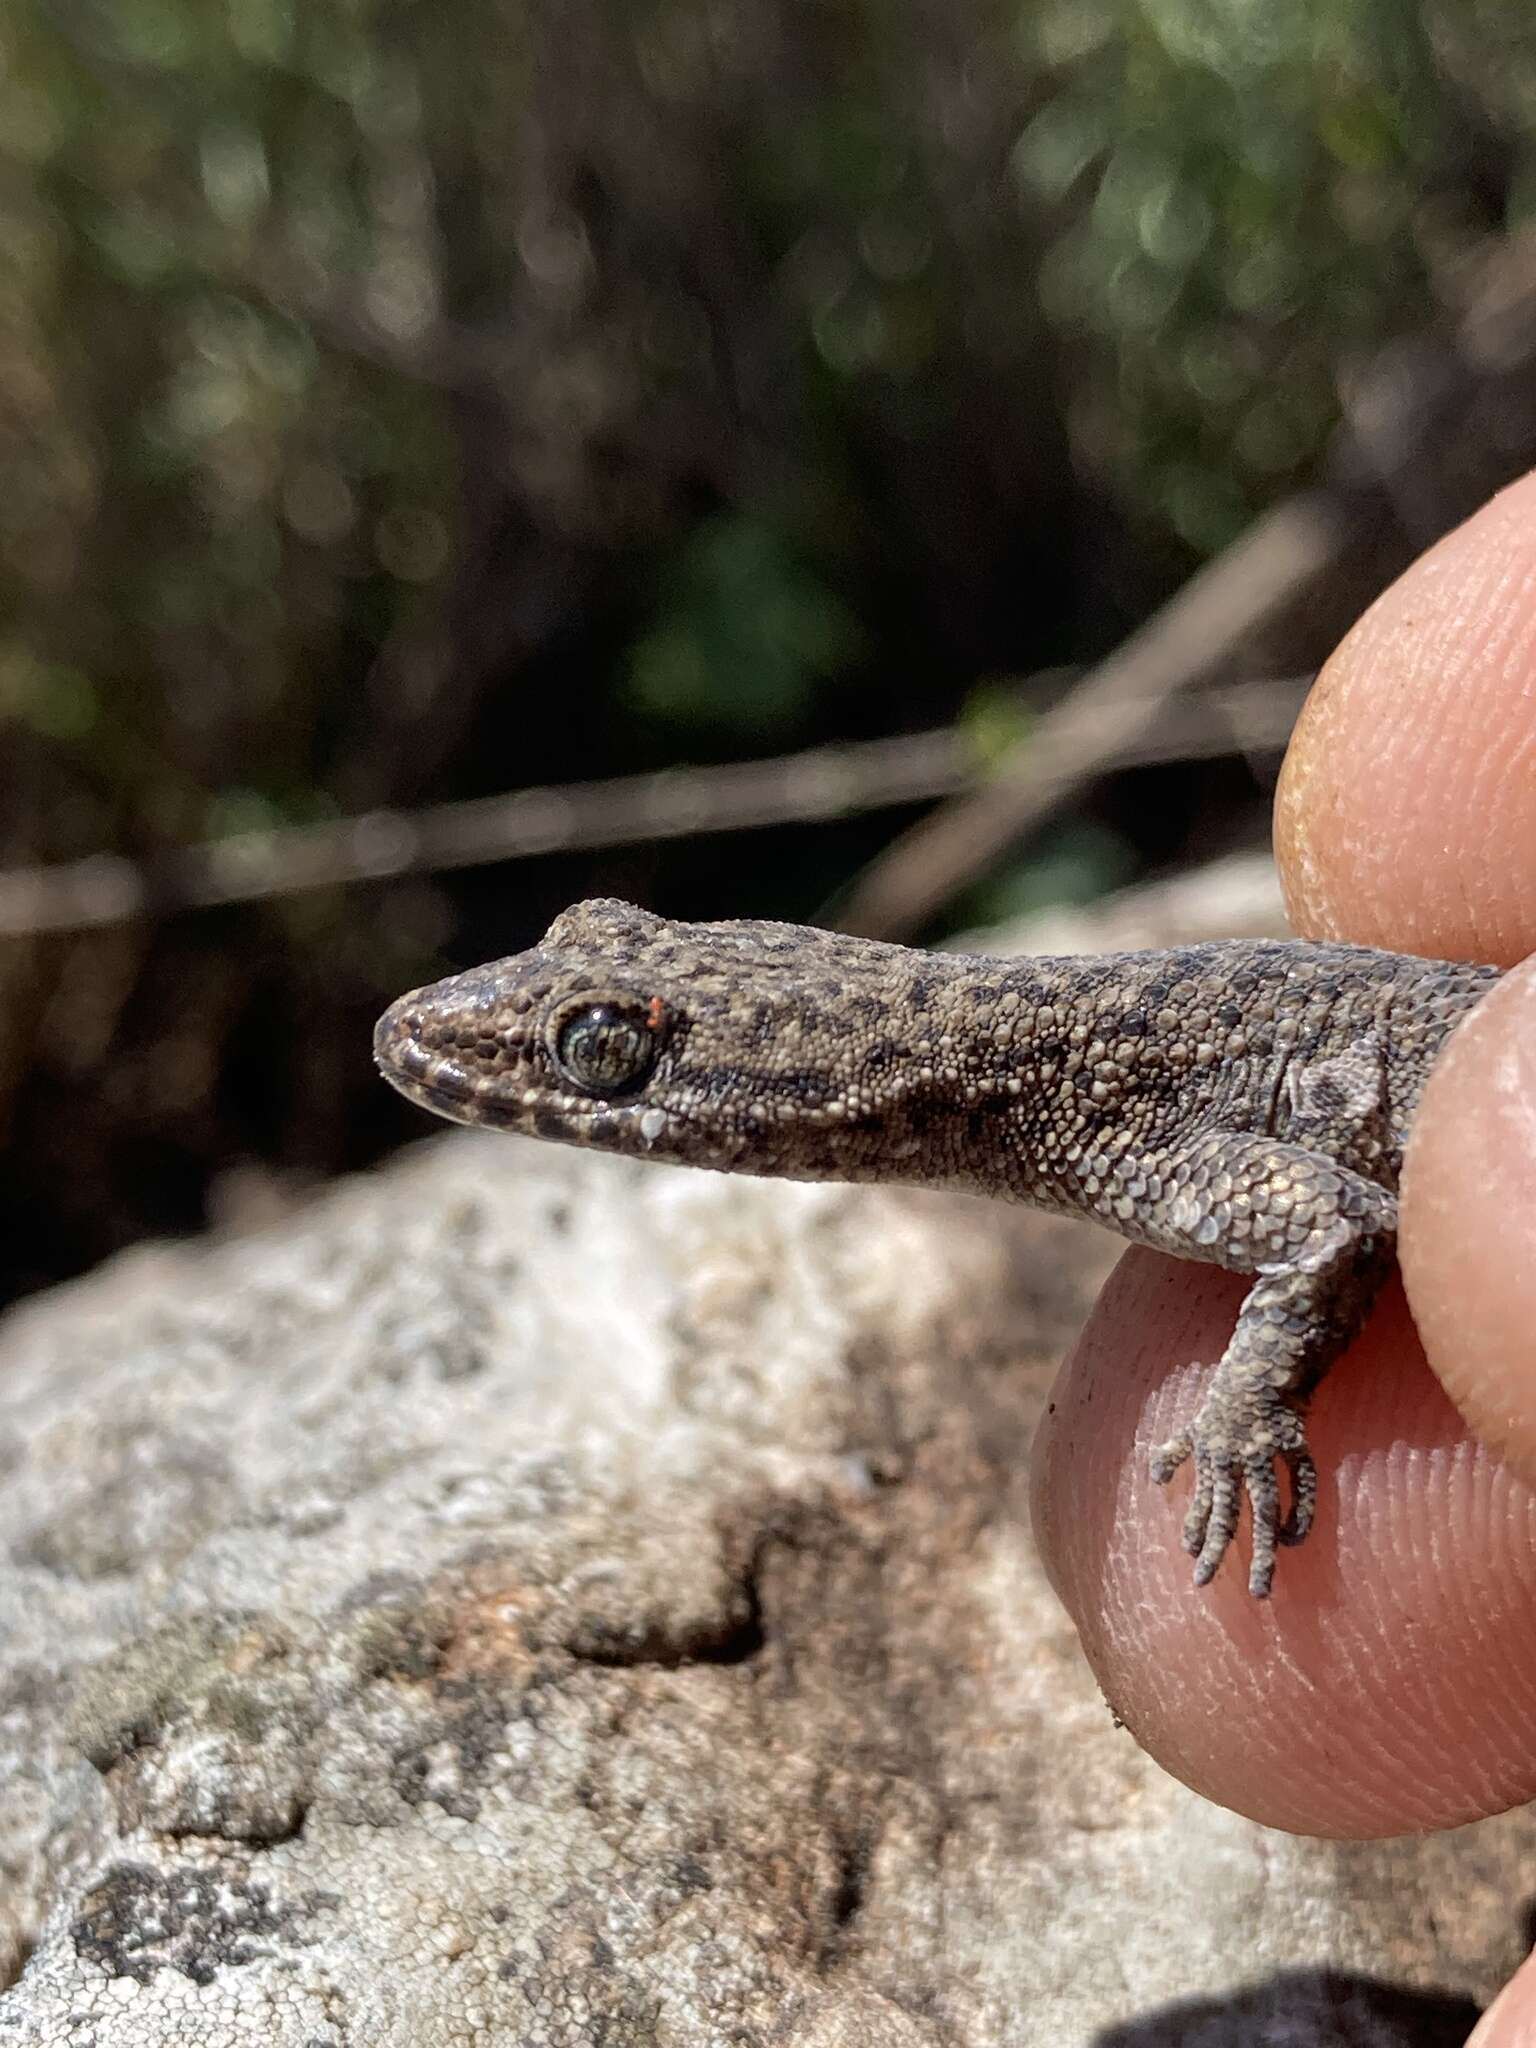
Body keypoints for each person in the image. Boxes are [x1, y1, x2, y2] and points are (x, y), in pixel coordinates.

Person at [1031, 466, 1536, 2045]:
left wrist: (1249, 1402)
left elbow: (1328, 1226)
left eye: (606, 1053)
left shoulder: (1092, 1110)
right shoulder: (1069, 1090)